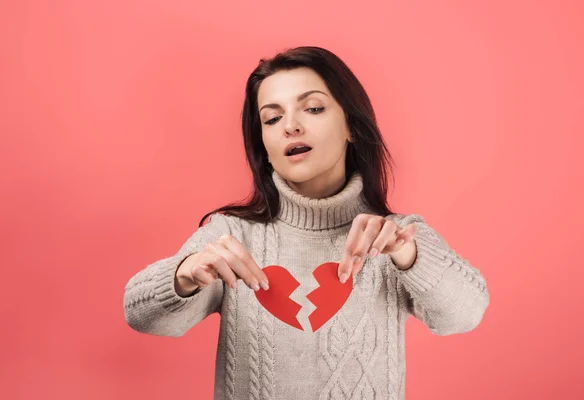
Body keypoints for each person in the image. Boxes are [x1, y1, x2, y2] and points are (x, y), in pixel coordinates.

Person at [123, 46, 489, 400]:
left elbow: (464, 314)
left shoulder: (395, 237)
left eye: (312, 108)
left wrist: (410, 256)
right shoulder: (231, 236)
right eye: (272, 118)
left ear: (351, 126)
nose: (291, 127)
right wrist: (184, 275)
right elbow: (141, 316)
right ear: (262, 144)